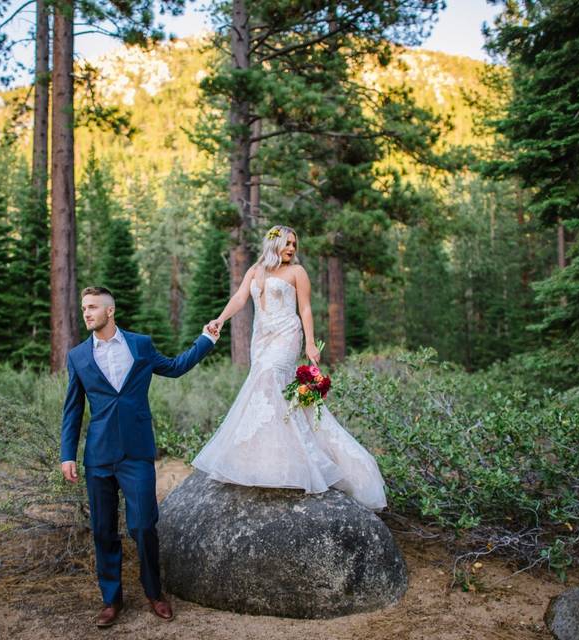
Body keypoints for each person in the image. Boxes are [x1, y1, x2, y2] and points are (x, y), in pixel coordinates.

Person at [193, 225, 387, 510]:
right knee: (267, 388)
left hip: (287, 334)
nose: (292, 249)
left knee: (270, 377)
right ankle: (264, 456)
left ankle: (301, 460)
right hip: (261, 338)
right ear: (274, 243)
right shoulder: (254, 271)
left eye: (294, 244)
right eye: (288, 243)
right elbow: (239, 298)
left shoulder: (297, 272)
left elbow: (305, 308)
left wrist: (310, 343)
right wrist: (220, 320)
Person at [60, 286, 219, 628]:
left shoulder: (140, 345)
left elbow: (175, 367)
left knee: (144, 526)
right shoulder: (78, 356)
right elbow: (72, 409)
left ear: (110, 311)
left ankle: (153, 593)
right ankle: (111, 599)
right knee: (103, 530)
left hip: (137, 453)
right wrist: (66, 454)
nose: (86, 313)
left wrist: (206, 339)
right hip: (99, 457)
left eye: (92, 307)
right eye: (83, 307)